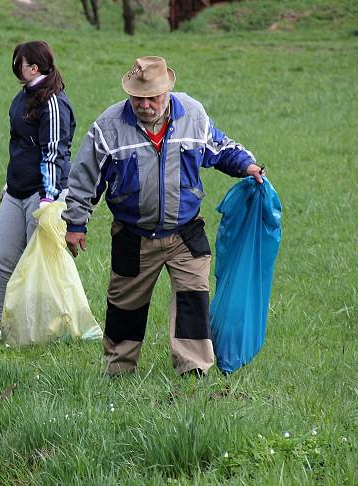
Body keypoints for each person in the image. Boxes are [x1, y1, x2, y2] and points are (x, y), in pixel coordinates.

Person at [62, 56, 265, 377]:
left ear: (167, 92)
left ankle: (194, 371)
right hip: (133, 234)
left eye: (152, 98)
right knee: (124, 307)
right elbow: (85, 176)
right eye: (138, 98)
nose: (145, 105)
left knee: (192, 299)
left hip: (185, 231)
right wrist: (76, 223)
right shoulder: (109, 127)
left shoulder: (192, 115)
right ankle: (118, 370)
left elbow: (219, 147)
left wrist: (247, 165)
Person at [0, 40, 76, 345]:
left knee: (38, 264)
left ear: (33, 68)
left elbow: (53, 153)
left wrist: (49, 200)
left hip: (42, 194)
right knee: (2, 258)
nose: (15, 67)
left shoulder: (52, 103)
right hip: (16, 191)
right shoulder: (22, 96)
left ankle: (43, 331)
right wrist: (9, 184)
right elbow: (18, 147)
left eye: (19, 62)